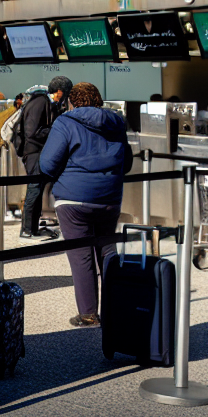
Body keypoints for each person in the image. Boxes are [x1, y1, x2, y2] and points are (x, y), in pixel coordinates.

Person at [37, 82, 131, 327]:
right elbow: (127, 162)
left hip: (73, 199)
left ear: (71, 102)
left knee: (81, 257)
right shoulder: (117, 122)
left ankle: (89, 314)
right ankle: (115, 308)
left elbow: (47, 165)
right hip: (110, 198)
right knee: (108, 252)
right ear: (98, 100)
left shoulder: (66, 122)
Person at [14, 76, 71, 241]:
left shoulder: (48, 103)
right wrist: (54, 130)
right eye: (65, 93)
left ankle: (33, 228)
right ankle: (26, 230)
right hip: (33, 152)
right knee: (34, 189)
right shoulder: (40, 102)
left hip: (37, 151)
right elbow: (32, 133)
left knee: (37, 189)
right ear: (59, 91)